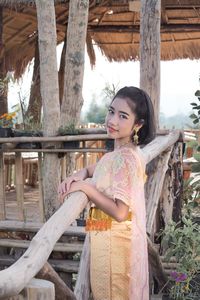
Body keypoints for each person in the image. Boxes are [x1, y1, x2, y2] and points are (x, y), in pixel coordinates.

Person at [58, 86, 156, 300]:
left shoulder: (126, 158)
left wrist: (85, 187)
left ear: (137, 125)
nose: (112, 120)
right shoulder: (117, 154)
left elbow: (121, 212)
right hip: (104, 235)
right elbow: (98, 169)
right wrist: (82, 173)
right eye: (111, 111)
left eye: (123, 116)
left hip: (115, 246)